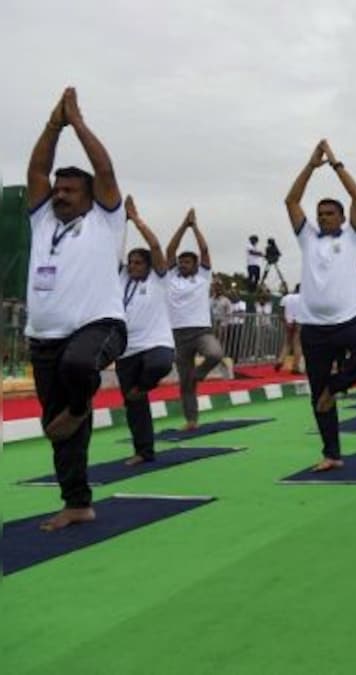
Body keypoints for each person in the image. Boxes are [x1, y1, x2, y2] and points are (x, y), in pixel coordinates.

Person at [24, 88, 129, 531]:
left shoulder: (106, 219)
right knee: (58, 429)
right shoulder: (43, 220)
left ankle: (82, 404)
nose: (60, 195)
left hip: (99, 326)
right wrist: (53, 124)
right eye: (59, 189)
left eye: (70, 190)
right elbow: (36, 169)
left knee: (80, 362)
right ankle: (77, 503)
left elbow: (104, 169)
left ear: (89, 195)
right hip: (43, 337)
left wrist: (77, 123)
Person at [284, 139, 356, 471]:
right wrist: (311, 166)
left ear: (342, 217)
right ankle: (332, 454)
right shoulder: (307, 238)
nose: (324, 218)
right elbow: (291, 200)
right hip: (314, 328)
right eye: (321, 214)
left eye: (330, 213)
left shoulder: (353, 237)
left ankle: (337, 385)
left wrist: (335, 163)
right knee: (317, 395)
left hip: (349, 321)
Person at [117, 196, 176, 466]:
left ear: (149, 265)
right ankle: (143, 451)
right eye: (130, 262)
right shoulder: (120, 279)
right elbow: (112, 249)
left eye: (138, 262)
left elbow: (154, 245)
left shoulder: (158, 279)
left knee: (161, 363)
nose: (132, 266)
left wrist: (136, 218)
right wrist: (122, 221)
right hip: (126, 349)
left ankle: (144, 386)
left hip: (156, 343)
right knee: (133, 406)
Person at [165, 208, 225, 432]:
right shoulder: (171, 276)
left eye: (187, 262)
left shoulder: (203, 276)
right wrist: (183, 225)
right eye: (181, 262)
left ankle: (200, 374)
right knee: (185, 383)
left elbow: (205, 249)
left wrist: (195, 227)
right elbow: (170, 249)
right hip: (179, 334)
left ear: (196, 265)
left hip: (201, 331)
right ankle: (191, 420)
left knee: (215, 354)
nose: (182, 265)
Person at [276, 284, 305, 374]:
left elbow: (280, 311)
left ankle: (280, 360)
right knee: (297, 345)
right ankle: (295, 366)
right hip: (299, 321)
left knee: (287, 343)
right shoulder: (304, 298)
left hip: (288, 321)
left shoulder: (286, 298)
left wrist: (284, 321)